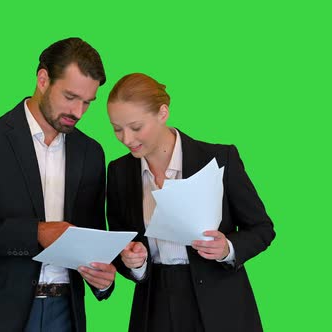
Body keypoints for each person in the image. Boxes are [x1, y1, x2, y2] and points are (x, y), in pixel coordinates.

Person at [0, 37, 116, 332]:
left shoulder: (91, 152)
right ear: (42, 79)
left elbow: (91, 235)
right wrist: (36, 232)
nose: (78, 112)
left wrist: (102, 278)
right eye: (70, 97)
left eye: (87, 103)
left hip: (65, 314)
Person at [106, 73, 275, 332]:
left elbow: (262, 228)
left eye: (136, 127)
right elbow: (120, 245)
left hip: (220, 305)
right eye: (117, 129)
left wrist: (228, 248)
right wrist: (133, 262)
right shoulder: (118, 172)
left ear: (163, 113)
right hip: (154, 307)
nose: (126, 139)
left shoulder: (219, 158)